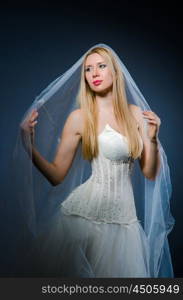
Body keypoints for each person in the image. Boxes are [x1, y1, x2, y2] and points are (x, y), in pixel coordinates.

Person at [15, 44, 174, 277]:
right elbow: (57, 175)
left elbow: (149, 173)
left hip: (125, 221)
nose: (94, 74)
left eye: (101, 66)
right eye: (88, 69)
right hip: (85, 217)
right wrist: (28, 146)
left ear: (115, 72)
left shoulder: (135, 114)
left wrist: (151, 140)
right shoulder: (79, 118)